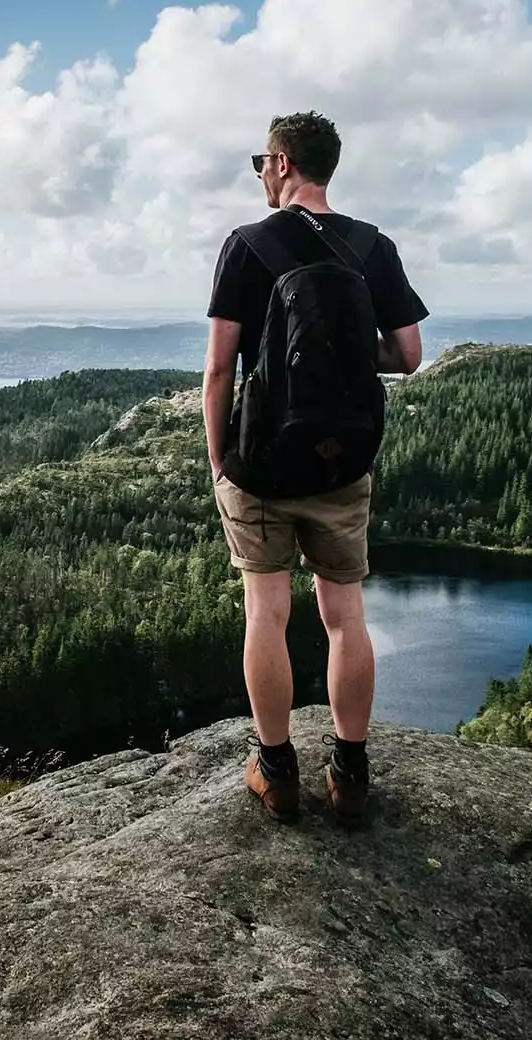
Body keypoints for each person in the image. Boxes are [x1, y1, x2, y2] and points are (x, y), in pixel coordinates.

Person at [202, 111, 427, 824]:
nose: (261, 176)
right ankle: (351, 771)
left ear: (280, 162)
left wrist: (219, 463)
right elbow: (408, 356)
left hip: (262, 466)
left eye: (259, 164)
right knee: (344, 615)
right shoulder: (372, 246)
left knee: (266, 613)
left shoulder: (247, 246)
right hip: (341, 464)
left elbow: (218, 370)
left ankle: (276, 769)